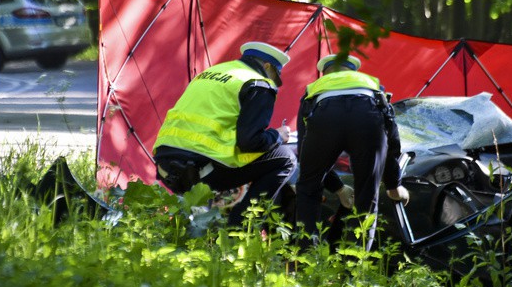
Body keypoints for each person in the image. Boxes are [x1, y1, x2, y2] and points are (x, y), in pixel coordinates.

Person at [153, 42, 297, 226]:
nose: (274, 83)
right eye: (275, 76)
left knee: (223, 157)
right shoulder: (259, 83)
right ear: (267, 66)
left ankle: (197, 225)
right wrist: (277, 136)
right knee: (286, 158)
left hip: (166, 164)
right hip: (201, 170)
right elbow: (250, 142)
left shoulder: (211, 73)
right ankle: (240, 228)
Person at [295, 53, 409, 249]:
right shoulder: (372, 85)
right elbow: (391, 136)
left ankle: (306, 258)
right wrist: (393, 184)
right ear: (352, 71)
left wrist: (337, 188)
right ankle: (354, 267)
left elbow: (305, 153)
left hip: (324, 115)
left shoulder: (312, 90)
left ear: (325, 73)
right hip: (367, 116)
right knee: (367, 194)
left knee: (308, 186)